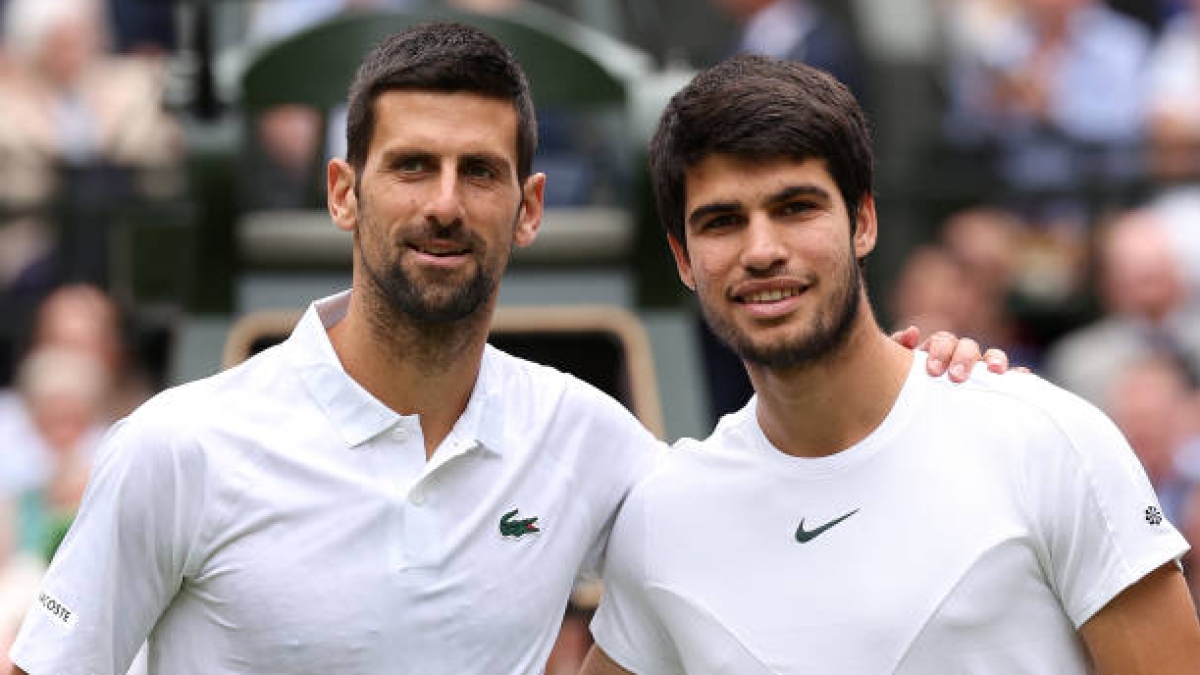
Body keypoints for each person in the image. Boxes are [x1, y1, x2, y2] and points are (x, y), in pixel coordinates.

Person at [7, 23, 996, 675]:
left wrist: (923, 389)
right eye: (412, 167)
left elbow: (778, 519)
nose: (445, 203)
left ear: (528, 208)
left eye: (479, 171)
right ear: (344, 193)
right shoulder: (176, 447)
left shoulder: (587, 440)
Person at [581, 55, 1200, 675]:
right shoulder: (663, 516)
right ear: (683, 259)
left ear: (864, 222)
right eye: (722, 222)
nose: (762, 250)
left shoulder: (1047, 440)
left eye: (796, 207)